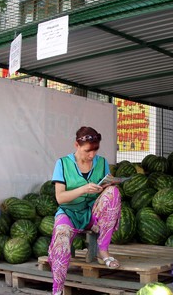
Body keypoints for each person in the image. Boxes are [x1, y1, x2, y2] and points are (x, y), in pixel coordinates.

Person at [48, 126, 122, 295]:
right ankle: (57, 290)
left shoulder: (101, 162)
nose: (92, 155)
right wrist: (83, 189)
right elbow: (60, 198)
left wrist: (105, 186)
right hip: (69, 214)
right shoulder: (62, 163)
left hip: (92, 213)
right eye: (88, 150)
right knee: (61, 241)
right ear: (76, 145)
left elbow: (106, 188)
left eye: (95, 150)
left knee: (113, 193)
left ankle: (103, 251)